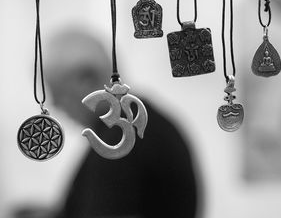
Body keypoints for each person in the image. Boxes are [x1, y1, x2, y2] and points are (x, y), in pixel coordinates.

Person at [45, 28, 199, 218]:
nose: (55, 103)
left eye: (56, 90)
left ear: (85, 79)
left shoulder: (122, 139)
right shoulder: (135, 124)